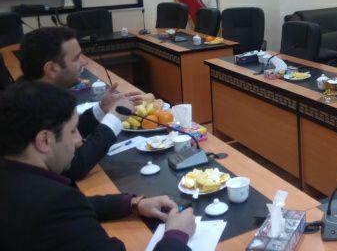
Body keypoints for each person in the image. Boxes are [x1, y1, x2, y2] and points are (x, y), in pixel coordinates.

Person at [0, 80, 195, 250]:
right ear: (44, 140)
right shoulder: (56, 204)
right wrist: (176, 235)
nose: (79, 140)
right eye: (73, 131)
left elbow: (74, 206)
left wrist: (133, 203)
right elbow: (62, 209)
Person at [19, 26, 142, 180]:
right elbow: (73, 167)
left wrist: (101, 109)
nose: (84, 62)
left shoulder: (34, 90)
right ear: (51, 69)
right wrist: (115, 118)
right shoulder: (29, 107)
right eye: (76, 58)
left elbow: (66, 132)